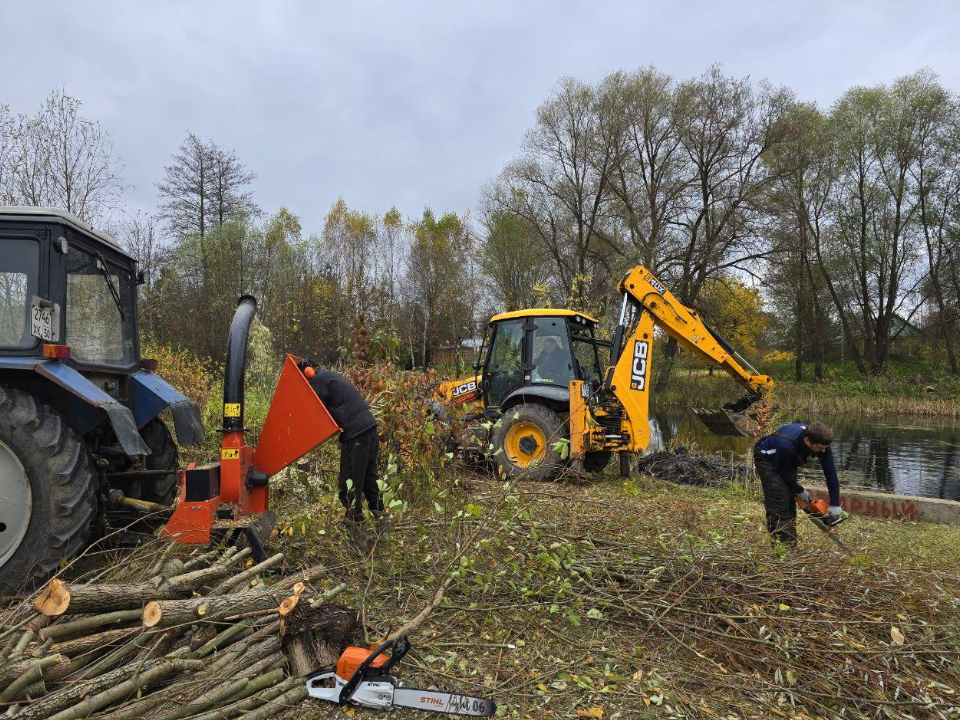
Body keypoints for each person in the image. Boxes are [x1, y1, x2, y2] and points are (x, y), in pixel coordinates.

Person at [299, 359, 387, 551]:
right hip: (369, 431)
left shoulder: (316, 382)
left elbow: (313, 411)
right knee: (370, 482)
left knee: (349, 486)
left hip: (357, 436)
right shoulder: (327, 377)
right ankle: (385, 532)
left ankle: (358, 541)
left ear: (307, 373)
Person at [753, 421, 842, 548]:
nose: (823, 451)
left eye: (825, 447)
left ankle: (790, 544)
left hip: (787, 459)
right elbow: (781, 469)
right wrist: (799, 489)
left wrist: (835, 504)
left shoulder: (821, 441)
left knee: (790, 501)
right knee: (779, 503)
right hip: (767, 458)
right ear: (807, 440)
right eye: (819, 448)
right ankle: (784, 550)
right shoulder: (787, 445)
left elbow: (830, 473)